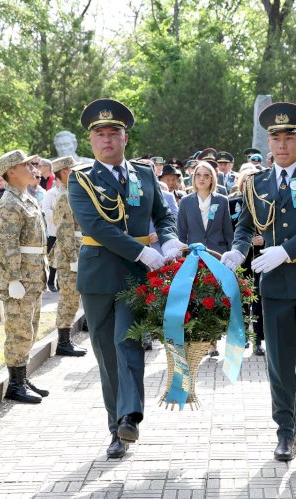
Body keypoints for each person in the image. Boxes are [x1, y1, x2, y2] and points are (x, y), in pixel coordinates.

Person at [221, 102, 296, 462]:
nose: (282, 144)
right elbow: (245, 225)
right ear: (268, 143)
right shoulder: (256, 183)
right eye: (275, 137)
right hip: (274, 284)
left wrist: (285, 250)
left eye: (289, 136)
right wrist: (239, 251)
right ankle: (284, 431)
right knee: (280, 360)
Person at [68, 98, 182, 459]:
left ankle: (130, 416)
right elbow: (96, 226)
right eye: (99, 134)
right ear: (92, 141)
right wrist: (141, 250)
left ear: (124, 138)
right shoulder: (81, 179)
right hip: (100, 274)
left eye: (113, 133)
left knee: (127, 343)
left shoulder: (145, 174)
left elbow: (163, 215)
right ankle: (115, 426)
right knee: (105, 354)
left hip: (136, 277)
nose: (106, 140)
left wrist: (169, 238)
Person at [0, 149, 49, 405]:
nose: (32, 167)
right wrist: (13, 278)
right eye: (25, 164)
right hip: (20, 278)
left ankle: (22, 377)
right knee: (18, 330)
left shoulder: (27, 198)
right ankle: (15, 384)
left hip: (33, 275)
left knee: (31, 327)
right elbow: (7, 245)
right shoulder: (9, 203)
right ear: (11, 171)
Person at [177, 160, 234, 357]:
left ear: (212, 178)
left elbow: (229, 231)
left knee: (215, 298)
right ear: (193, 178)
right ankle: (196, 340)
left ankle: (213, 342)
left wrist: (230, 256)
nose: (202, 178)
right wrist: (181, 258)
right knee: (196, 297)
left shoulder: (222, 200)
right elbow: (181, 233)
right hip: (193, 256)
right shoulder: (185, 202)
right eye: (198, 175)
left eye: (206, 175)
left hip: (217, 255)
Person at [51, 156, 88, 357]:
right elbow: (64, 231)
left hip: (76, 250)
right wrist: (73, 259)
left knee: (73, 298)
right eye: (73, 169)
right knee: (69, 299)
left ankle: (66, 340)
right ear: (65, 172)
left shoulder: (70, 192)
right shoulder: (65, 195)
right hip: (69, 254)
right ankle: (63, 342)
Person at [228, 170, 265, 356]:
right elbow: (229, 230)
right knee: (240, 299)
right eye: (246, 182)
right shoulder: (232, 203)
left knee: (258, 299)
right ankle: (241, 338)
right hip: (240, 259)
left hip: (261, 257)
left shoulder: (266, 203)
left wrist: (264, 239)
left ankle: (258, 340)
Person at [41, 171, 59, 292]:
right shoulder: (50, 193)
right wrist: (59, 218)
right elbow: (46, 210)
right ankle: (51, 281)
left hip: (68, 232)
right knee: (52, 259)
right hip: (54, 231)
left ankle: (60, 282)